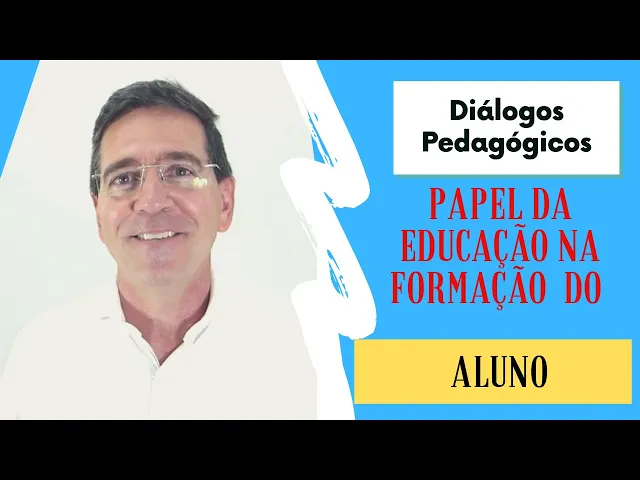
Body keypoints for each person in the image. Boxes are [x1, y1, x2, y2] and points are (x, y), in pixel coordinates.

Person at [0, 79, 314, 419]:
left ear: (225, 202)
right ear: (98, 214)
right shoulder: (39, 356)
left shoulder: (307, 353)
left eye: (180, 171)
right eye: (124, 178)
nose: (151, 202)